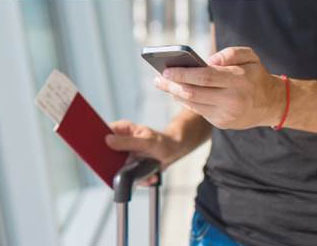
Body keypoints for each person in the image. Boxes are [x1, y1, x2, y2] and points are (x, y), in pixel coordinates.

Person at [106, 1, 317, 245]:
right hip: (217, 220)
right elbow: (228, 77)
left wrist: (276, 100)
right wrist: (174, 140)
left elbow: (259, 96)